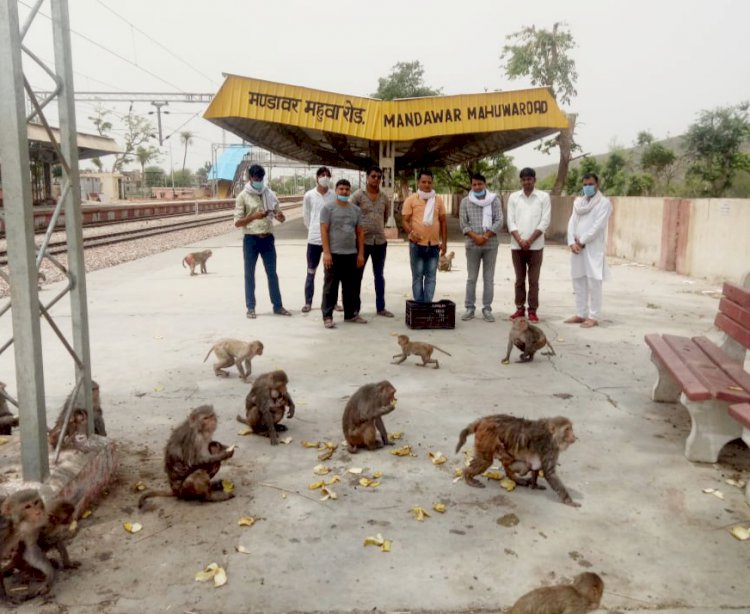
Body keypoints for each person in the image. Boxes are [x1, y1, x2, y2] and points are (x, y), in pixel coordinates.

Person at [233, 164, 291, 318]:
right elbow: (237, 223)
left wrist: (280, 217)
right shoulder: (242, 196)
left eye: (260, 178)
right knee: (249, 274)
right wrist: (253, 217)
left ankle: (278, 306)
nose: (258, 180)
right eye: (255, 178)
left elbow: (281, 216)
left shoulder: (270, 194)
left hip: (267, 239)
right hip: (251, 240)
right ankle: (250, 307)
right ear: (250, 178)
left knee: (272, 274)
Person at [565, 172, 613, 328]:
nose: (587, 187)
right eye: (585, 185)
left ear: (597, 185)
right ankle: (580, 313)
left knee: (594, 282)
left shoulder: (604, 203)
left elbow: (598, 226)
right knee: (578, 280)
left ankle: (593, 316)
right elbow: (572, 222)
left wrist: (582, 241)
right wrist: (572, 242)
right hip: (577, 249)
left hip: (592, 248)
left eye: (591, 184)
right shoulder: (579, 203)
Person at [506, 167, 551, 323]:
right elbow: (510, 221)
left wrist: (530, 240)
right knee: (519, 279)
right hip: (517, 246)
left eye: (529, 179)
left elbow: (545, 221)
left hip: (536, 247)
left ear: (534, 180)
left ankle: (532, 310)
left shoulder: (543, 197)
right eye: (524, 179)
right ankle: (520, 309)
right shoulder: (514, 197)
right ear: (521, 181)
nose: (526, 182)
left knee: (533, 281)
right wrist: (520, 240)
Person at [320, 179, 365, 328]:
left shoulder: (356, 210)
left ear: (350, 191)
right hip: (333, 254)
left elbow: (359, 233)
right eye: (341, 189)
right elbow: (324, 230)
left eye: (347, 189)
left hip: (351, 253)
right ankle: (327, 316)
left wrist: (360, 254)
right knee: (330, 287)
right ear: (336, 190)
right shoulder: (328, 208)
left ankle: (350, 314)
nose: (344, 192)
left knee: (350, 286)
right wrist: (326, 252)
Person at [350, 165, 394, 318]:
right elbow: (350, 215)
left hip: (380, 242)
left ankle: (381, 308)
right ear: (366, 177)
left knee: (379, 275)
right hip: (362, 243)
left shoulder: (384, 198)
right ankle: (355, 309)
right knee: (357, 276)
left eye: (379, 177)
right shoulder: (357, 196)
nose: (376, 179)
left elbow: (385, 215)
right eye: (373, 176)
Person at [459, 173, 503, 322]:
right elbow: (463, 224)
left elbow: (499, 220)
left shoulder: (494, 200)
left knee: (488, 279)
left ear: (485, 185)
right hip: (472, 245)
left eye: (480, 184)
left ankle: (487, 309)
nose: (477, 187)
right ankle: (469, 308)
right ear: (471, 186)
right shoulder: (465, 202)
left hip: (490, 245)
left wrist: (485, 236)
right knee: (471, 278)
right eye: (474, 185)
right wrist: (476, 237)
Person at [402, 169, 447, 303]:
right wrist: (410, 232)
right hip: (416, 245)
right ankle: (419, 307)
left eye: (429, 182)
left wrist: (444, 242)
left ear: (432, 183)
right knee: (417, 277)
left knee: (431, 277)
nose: (427, 185)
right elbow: (404, 220)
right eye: (424, 182)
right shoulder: (411, 200)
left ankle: (427, 306)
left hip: (433, 246)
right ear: (418, 183)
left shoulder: (438, 200)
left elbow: (443, 221)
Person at [302, 166, 337, 313]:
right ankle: (308, 302)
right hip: (314, 239)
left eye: (327, 175)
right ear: (317, 178)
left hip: (331, 240)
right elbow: (306, 217)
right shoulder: (309, 195)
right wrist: (314, 229)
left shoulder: (334, 195)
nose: (325, 177)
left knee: (332, 274)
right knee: (311, 271)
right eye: (322, 175)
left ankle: (333, 303)